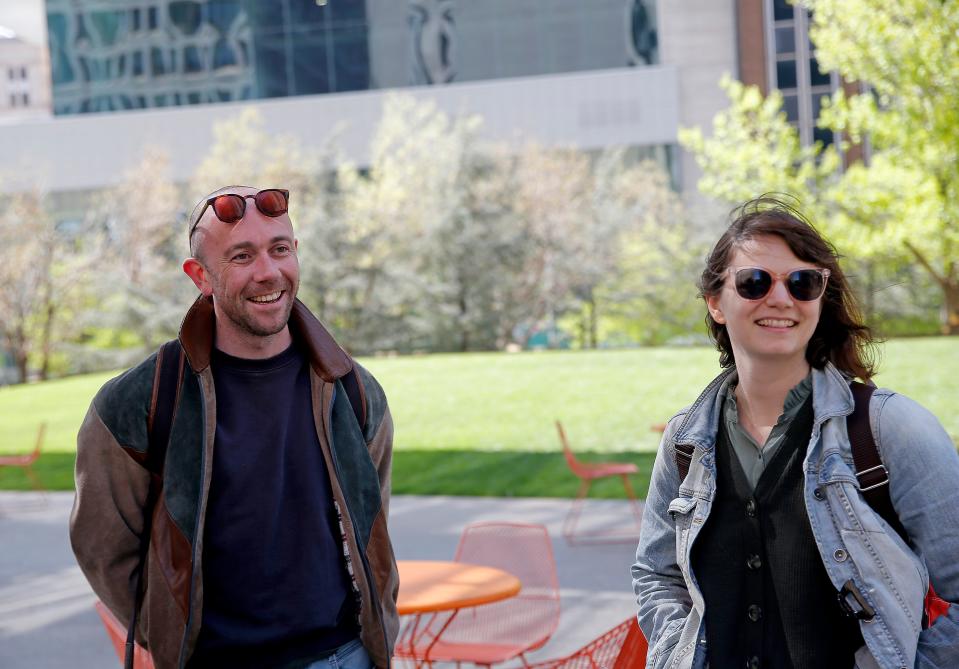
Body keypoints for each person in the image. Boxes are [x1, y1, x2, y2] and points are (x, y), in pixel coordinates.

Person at [71, 186, 398, 669]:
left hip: (344, 658)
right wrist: (169, 634)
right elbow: (104, 548)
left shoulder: (353, 391)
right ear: (200, 276)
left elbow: (374, 529)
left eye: (280, 249)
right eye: (241, 256)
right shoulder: (137, 402)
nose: (269, 272)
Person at [632, 196, 959, 669]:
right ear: (715, 303)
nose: (781, 298)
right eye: (754, 281)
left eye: (804, 283)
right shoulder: (684, 442)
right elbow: (655, 573)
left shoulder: (890, 429)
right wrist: (674, 656)